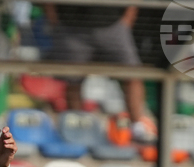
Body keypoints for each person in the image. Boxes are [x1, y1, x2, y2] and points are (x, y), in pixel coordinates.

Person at [43, 3, 157, 142]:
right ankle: (77, 131)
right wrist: (54, 20)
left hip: (112, 25)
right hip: (71, 27)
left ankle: (137, 127)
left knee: (133, 76)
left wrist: (127, 19)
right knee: (73, 80)